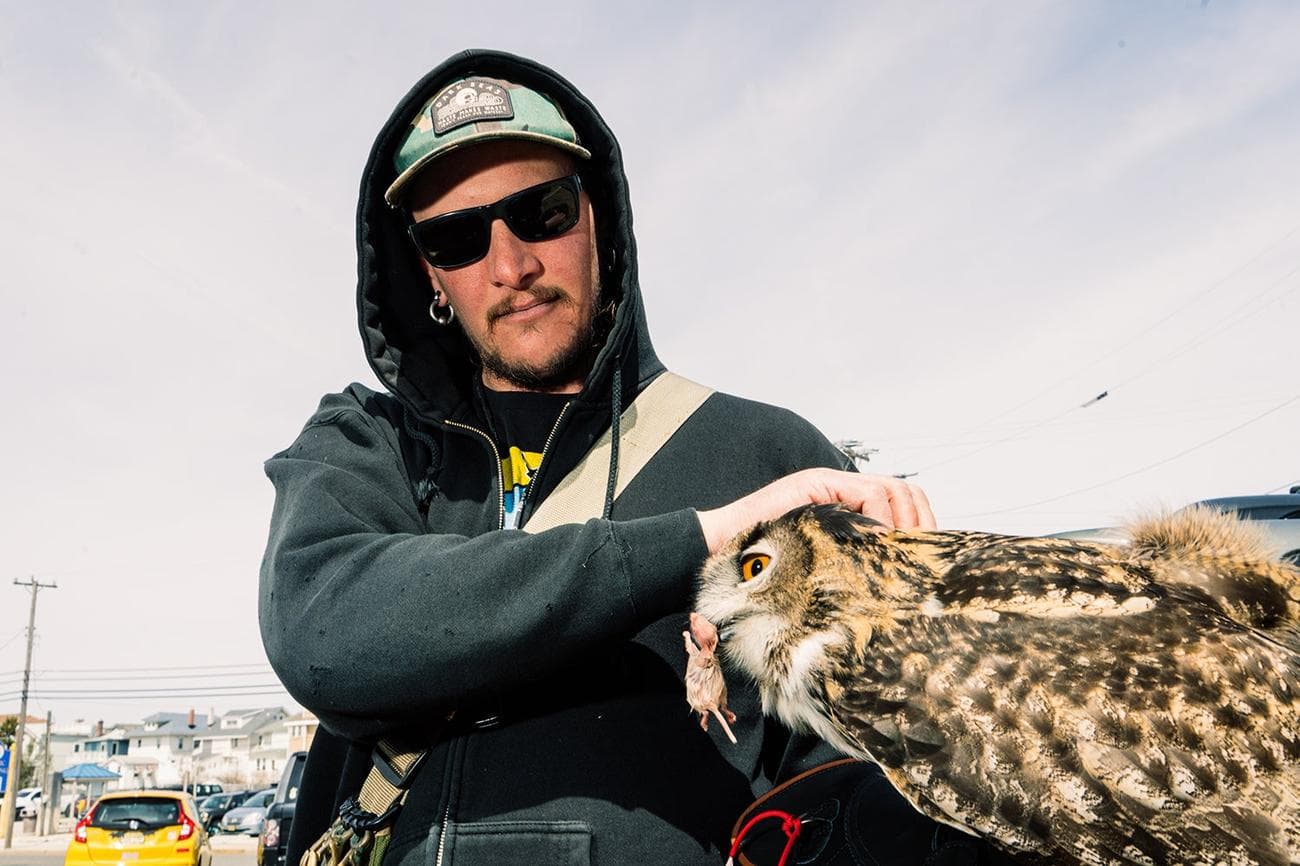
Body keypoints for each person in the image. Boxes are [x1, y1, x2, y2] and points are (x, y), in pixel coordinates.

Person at [260, 50, 995, 866]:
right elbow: (324, 632)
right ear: (430, 274)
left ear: (599, 219)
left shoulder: (772, 458)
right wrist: (703, 541)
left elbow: (881, 783)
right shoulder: (367, 444)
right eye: (457, 237)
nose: (511, 265)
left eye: (541, 210)